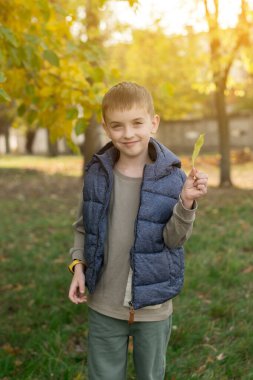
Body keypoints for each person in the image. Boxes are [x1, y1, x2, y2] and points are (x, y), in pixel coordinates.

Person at [68, 82, 208, 380]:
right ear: (106, 128)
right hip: (104, 303)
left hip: (153, 306)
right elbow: (84, 227)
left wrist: (185, 203)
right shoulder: (97, 174)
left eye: (137, 123)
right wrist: (78, 266)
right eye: (117, 126)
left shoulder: (173, 179)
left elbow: (174, 239)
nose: (128, 133)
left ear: (153, 123)